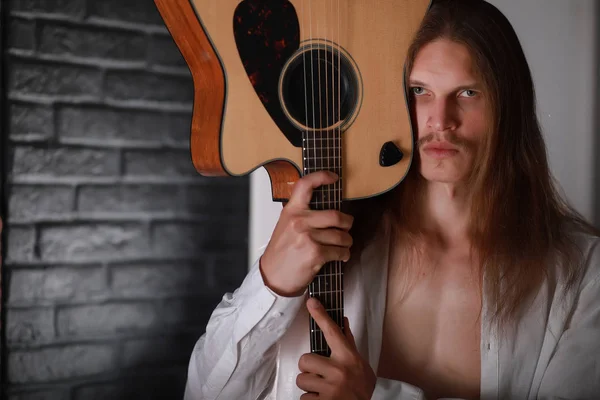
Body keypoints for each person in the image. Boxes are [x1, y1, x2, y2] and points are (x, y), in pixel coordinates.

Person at [183, 1, 600, 399]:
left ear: (509, 107)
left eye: (468, 93)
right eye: (420, 90)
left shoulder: (579, 266)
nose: (441, 121)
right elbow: (204, 394)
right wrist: (270, 281)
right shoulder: (327, 237)